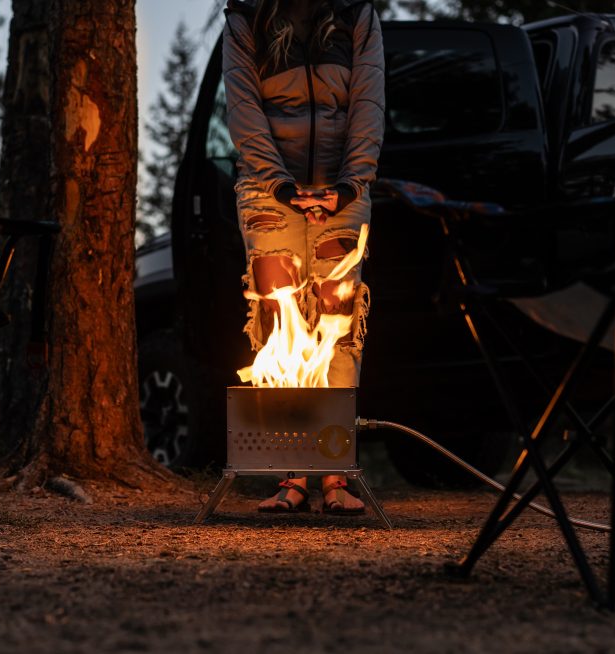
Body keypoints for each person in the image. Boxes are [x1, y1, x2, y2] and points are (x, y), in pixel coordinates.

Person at [222, 0, 385, 514]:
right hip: (268, 192)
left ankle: (335, 476)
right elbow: (243, 107)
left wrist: (349, 184)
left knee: (338, 322)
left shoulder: (356, 12)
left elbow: (368, 103)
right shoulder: (246, 15)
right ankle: (291, 478)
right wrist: (281, 186)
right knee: (278, 321)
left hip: (343, 188)